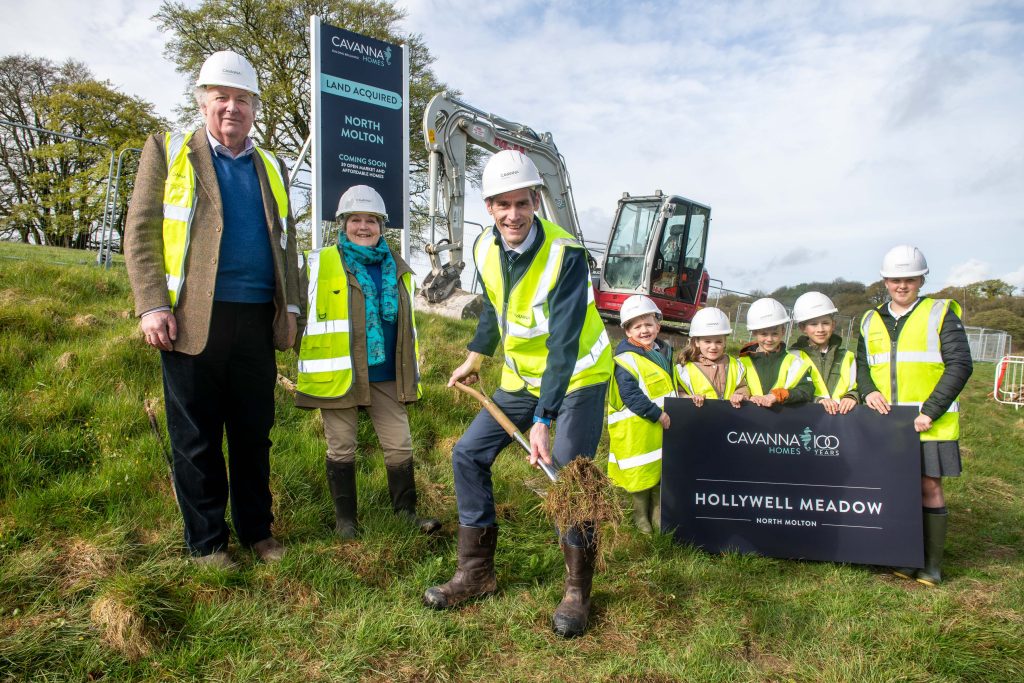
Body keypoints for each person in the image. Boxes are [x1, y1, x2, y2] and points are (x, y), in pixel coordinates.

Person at [422, 150, 613, 638]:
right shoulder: (486, 247)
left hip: (577, 378)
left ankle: (577, 591)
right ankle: (477, 572)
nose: (513, 215)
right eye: (502, 204)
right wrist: (474, 357)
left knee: (568, 475)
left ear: (536, 201)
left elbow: (566, 341)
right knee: (467, 454)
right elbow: (494, 309)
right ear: (488, 206)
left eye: (522, 203)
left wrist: (544, 420)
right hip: (522, 378)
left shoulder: (566, 254)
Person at [123, 51, 299, 568]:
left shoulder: (272, 166)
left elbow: (286, 246)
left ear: (254, 108)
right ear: (203, 103)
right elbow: (142, 231)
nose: (231, 108)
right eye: (221, 97)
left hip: (254, 320)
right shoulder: (169, 150)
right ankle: (207, 543)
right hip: (190, 319)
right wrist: (152, 304)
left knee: (252, 434)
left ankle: (257, 532)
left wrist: (291, 312)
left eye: (242, 99)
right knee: (196, 437)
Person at [294, 185, 440, 538]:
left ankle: (405, 513)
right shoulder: (321, 262)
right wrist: (309, 350)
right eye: (356, 220)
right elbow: (297, 313)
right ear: (343, 224)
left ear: (382, 226)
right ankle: (346, 522)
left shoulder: (398, 268)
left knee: (400, 443)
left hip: (388, 373)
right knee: (342, 445)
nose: (364, 227)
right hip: (339, 373)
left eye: (371, 220)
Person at [858, 245, 972, 586]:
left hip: (928, 421)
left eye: (909, 279)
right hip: (888, 421)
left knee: (927, 486)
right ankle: (905, 555)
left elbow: (960, 365)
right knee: (894, 487)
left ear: (921, 279)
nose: (901, 285)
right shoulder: (870, 318)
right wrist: (867, 391)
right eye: (894, 279)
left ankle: (931, 565)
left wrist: (931, 410)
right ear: (885, 281)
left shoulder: (940, 314)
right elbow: (863, 365)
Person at [606, 295, 674, 534]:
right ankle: (639, 515)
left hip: (660, 428)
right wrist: (656, 414)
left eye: (648, 324)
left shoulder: (663, 351)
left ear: (658, 325)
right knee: (640, 474)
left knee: (659, 471)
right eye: (637, 326)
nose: (644, 330)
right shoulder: (625, 360)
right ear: (627, 332)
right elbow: (630, 395)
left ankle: (657, 512)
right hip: (639, 429)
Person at [738, 298, 815, 407]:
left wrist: (779, 395)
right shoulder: (741, 363)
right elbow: (735, 388)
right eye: (764, 334)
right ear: (754, 332)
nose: (769, 339)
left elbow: (807, 390)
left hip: (782, 419)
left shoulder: (795, 362)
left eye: (774, 334)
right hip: (749, 418)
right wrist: (746, 396)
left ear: (783, 331)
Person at [790, 292, 858, 414]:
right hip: (804, 417)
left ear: (833, 325)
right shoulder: (793, 356)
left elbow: (855, 386)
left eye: (825, 323)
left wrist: (852, 396)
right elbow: (790, 390)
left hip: (841, 418)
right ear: (802, 328)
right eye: (814, 324)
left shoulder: (847, 357)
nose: (820, 329)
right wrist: (817, 400)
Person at [674, 307, 748, 408]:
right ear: (697, 342)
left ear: (725, 342)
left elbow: (743, 386)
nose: (713, 347)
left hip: (729, 418)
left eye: (718, 342)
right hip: (698, 418)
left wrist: (739, 395)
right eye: (707, 341)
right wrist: (689, 397)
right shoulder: (684, 368)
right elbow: (678, 391)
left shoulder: (735, 365)